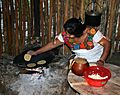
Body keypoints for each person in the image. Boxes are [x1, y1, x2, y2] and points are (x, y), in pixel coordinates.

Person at [29, 17, 110, 66]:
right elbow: (52, 45)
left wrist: (101, 60)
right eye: (66, 32)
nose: (66, 35)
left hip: (95, 61)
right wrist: (36, 52)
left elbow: (107, 44)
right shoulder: (66, 35)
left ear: (79, 33)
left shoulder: (92, 33)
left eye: (70, 34)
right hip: (79, 61)